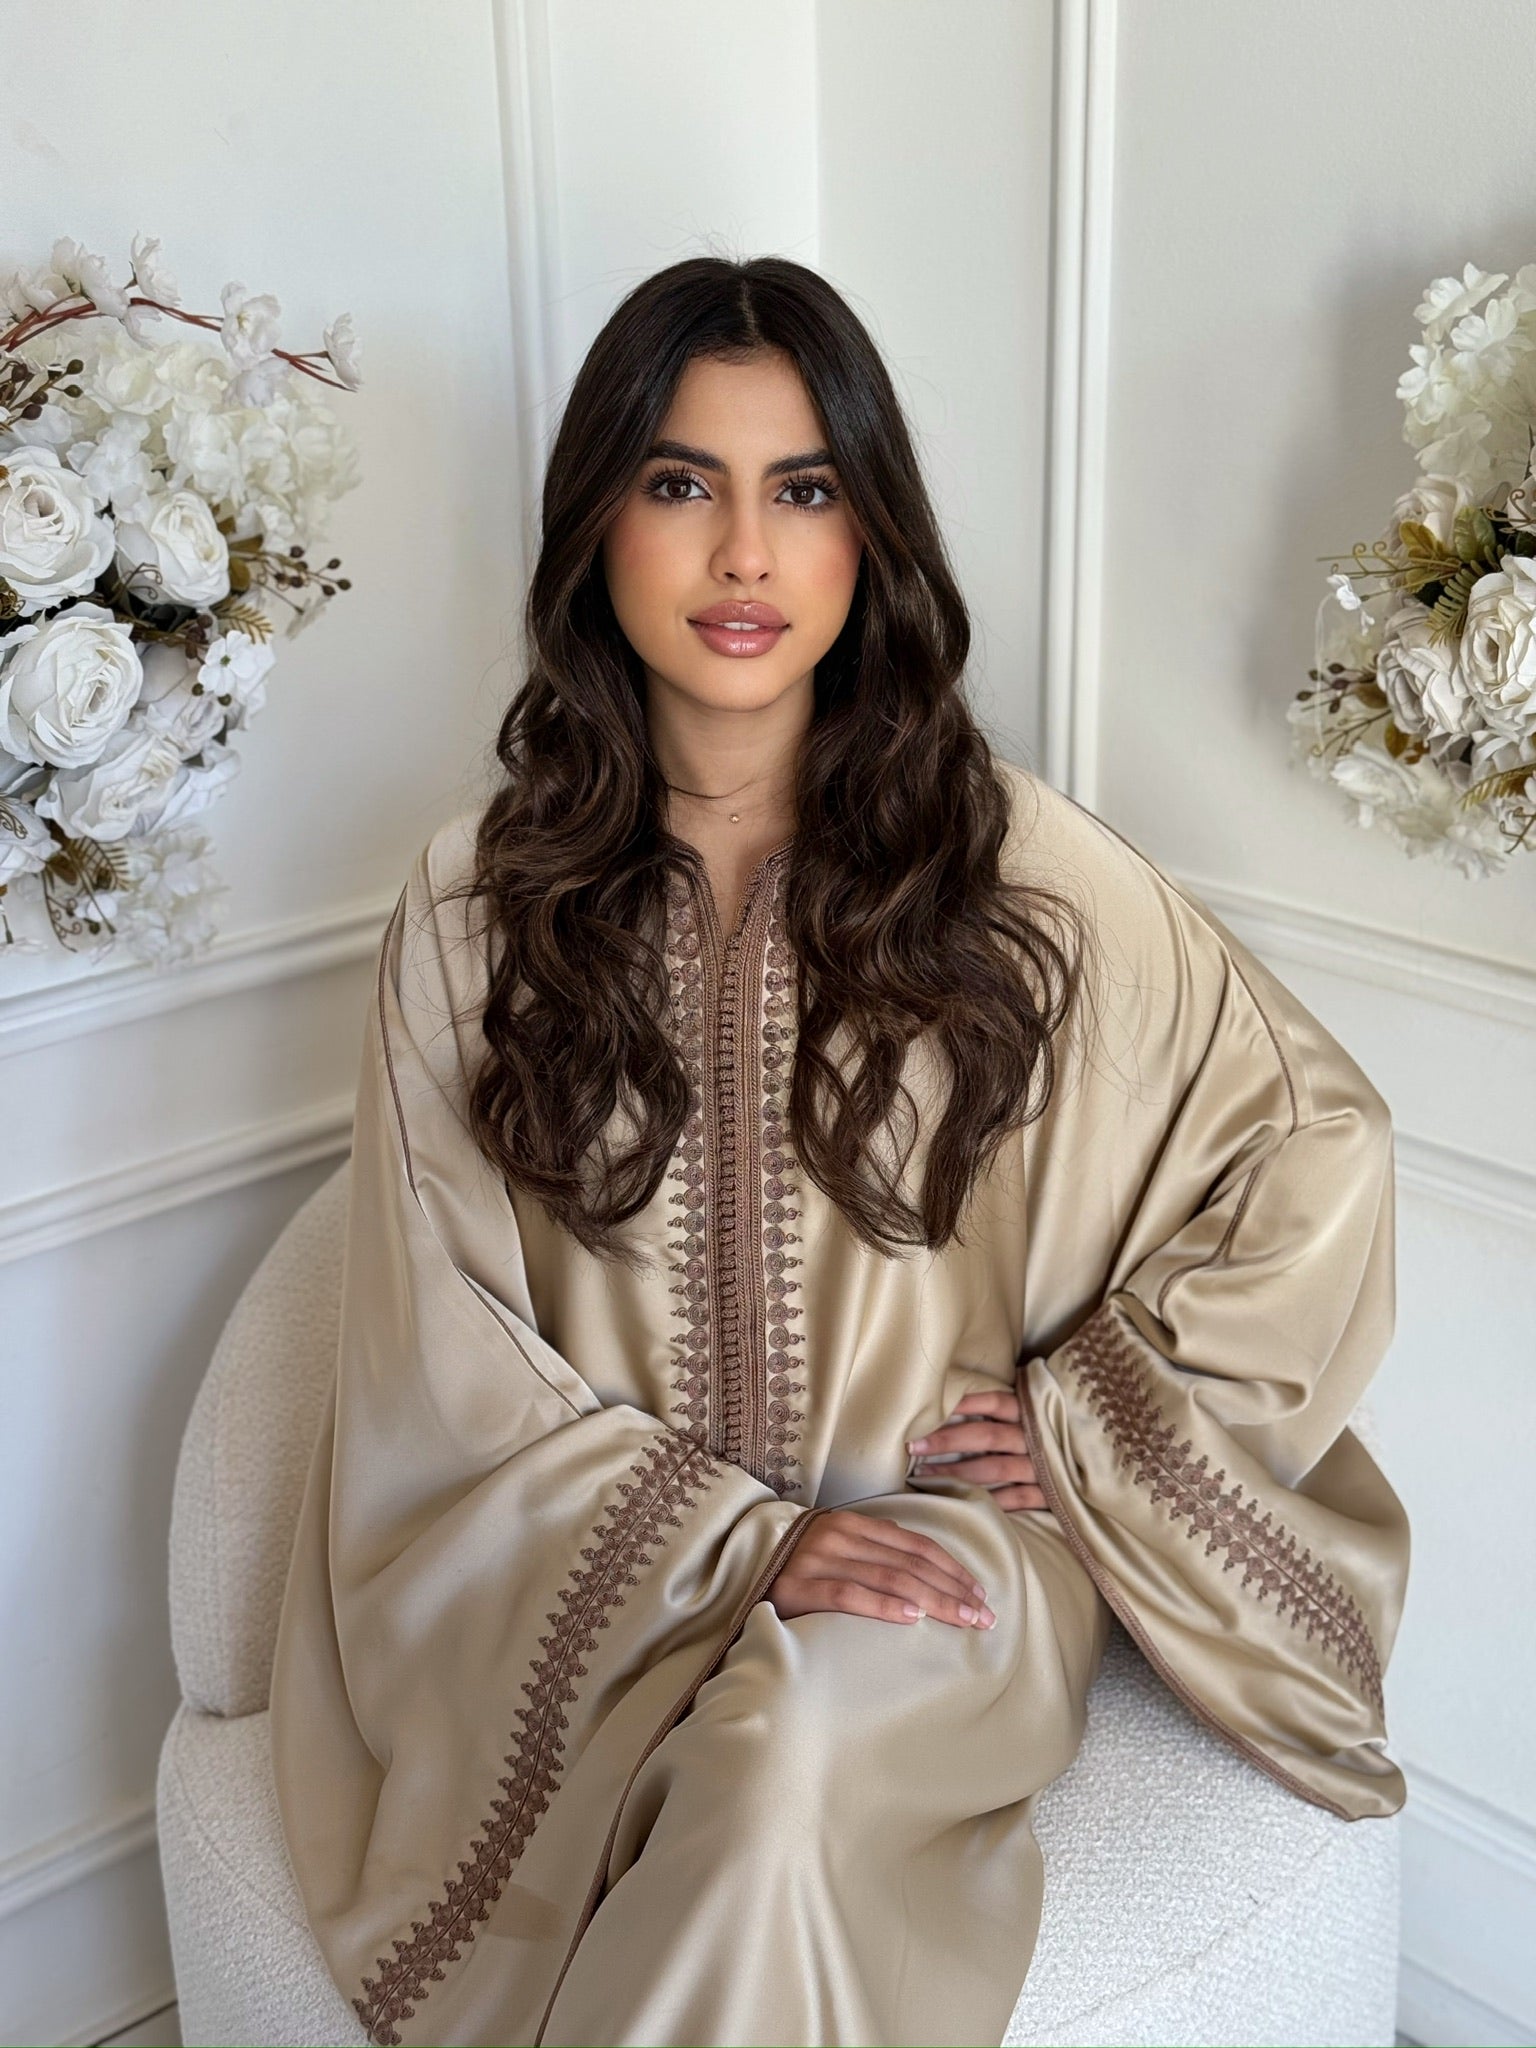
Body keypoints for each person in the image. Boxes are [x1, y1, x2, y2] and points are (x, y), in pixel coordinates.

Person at [268, 255, 1410, 2048]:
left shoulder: (1017, 868)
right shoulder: (474, 909)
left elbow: (1313, 1141)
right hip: (617, 1588)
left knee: (797, 1756)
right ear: (596, 525)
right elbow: (444, 1356)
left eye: (802, 490)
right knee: (744, 1773)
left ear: (867, 534)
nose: (744, 554)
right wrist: (734, 1550)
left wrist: (1096, 1417)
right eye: (679, 484)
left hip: (948, 1561)